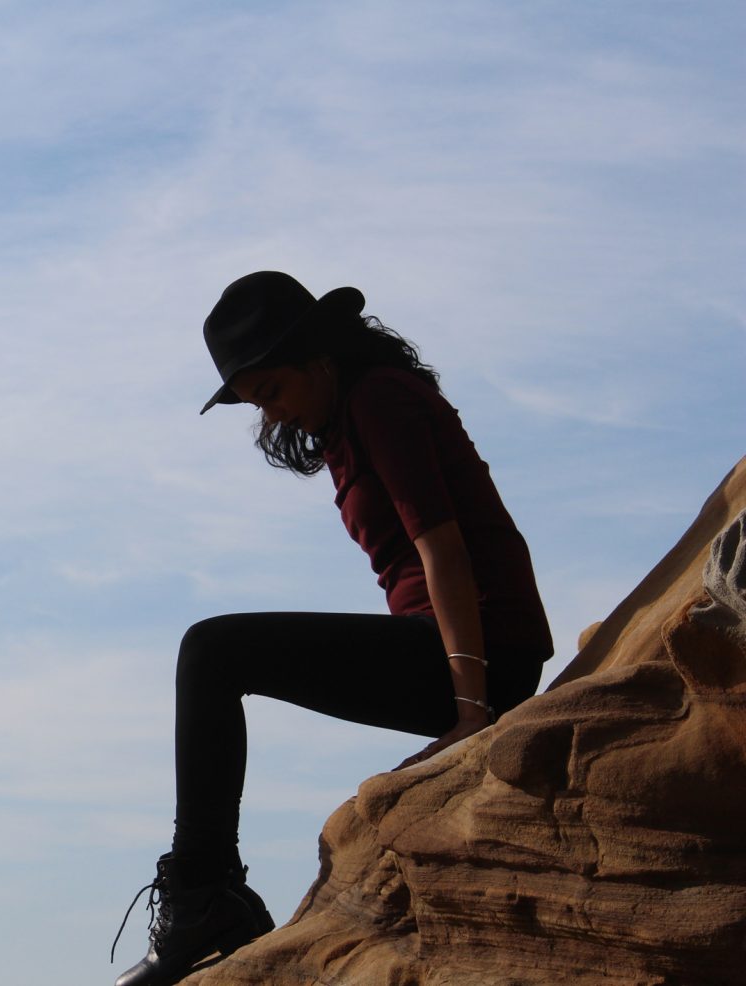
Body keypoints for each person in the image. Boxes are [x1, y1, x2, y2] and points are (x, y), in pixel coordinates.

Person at [111, 271, 553, 986]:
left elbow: (445, 548)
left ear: (318, 357)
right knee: (216, 653)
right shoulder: (351, 416)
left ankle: (200, 893)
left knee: (212, 650)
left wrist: (471, 711)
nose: (275, 415)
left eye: (274, 392)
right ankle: (205, 891)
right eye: (258, 404)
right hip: (457, 650)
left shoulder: (381, 399)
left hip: (483, 652)